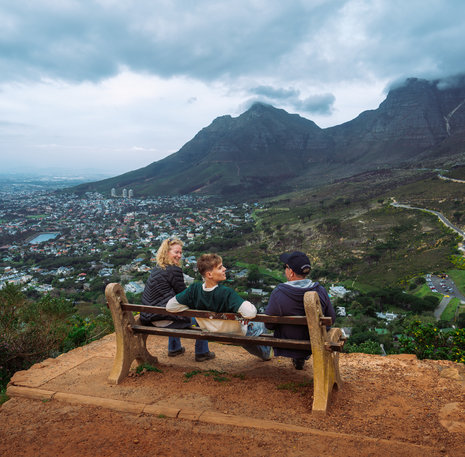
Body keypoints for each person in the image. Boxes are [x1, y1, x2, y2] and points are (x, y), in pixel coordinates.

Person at [166, 253, 271, 361]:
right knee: (261, 323)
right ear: (209, 274)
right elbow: (250, 313)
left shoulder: (194, 290)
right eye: (220, 267)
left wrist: (191, 306)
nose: (225, 269)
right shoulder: (226, 293)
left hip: (212, 333)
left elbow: (170, 306)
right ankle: (266, 353)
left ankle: (265, 353)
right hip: (236, 334)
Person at [140, 238, 215, 362]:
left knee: (172, 309)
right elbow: (184, 296)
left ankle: (174, 348)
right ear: (166, 252)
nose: (179, 256)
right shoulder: (174, 270)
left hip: (149, 318)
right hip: (163, 320)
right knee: (204, 316)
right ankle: (202, 352)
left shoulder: (157, 269)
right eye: (176, 252)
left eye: (180, 253)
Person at [264, 251, 336, 370]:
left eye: (285, 267)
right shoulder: (320, 291)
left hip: (287, 343)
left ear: (291, 272)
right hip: (314, 342)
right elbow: (331, 318)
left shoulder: (278, 293)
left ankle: (297, 356)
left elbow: (269, 325)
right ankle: (300, 357)